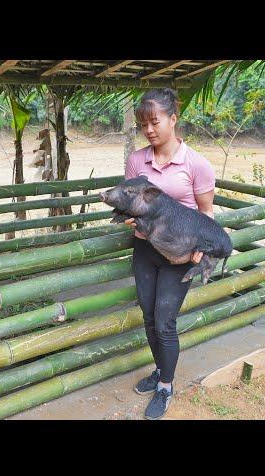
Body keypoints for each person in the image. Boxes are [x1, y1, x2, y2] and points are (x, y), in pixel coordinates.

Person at [124, 88, 215, 420]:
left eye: (155, 121)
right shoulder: (137, 160)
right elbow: (131, 200)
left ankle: (165, 385)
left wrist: (202, 251)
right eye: (143, 124)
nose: (149, 130)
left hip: (179, 256)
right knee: (148, 318)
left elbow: (207, 214)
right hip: (145, 249)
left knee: (164, 321)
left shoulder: (196, 164)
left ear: (173, 119)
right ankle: (161, 369)